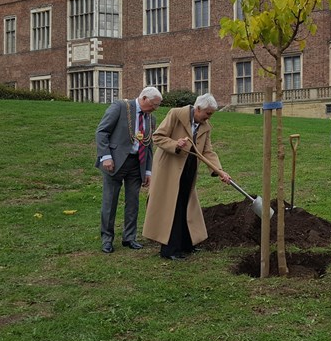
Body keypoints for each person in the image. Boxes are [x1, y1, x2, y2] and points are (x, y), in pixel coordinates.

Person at [142, 93, 231, 260]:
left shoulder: (205, 126)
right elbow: (158, 137)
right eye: (207, 113)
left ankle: (186, 245)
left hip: (188, 169)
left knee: (186, 205)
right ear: (197, 109)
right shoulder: (175, 114)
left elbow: (207, 151)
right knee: (172, 208)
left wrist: (219, 171)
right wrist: (176, 144)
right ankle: (170, 250)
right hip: (169, 169)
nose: (209, 117)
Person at [95, 87, 163, 254]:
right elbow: (102, 132)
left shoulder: (151, 118)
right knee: (110, 202)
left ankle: (130, 238)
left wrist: (148, 171)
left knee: (133, 203)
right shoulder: (120, 107)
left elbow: (148, 146)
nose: (155, 108)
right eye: (154, 104)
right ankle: (107, 239)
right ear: (145, 98)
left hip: (136, 164)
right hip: (115, 162)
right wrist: (106, 157)